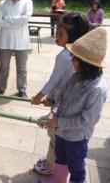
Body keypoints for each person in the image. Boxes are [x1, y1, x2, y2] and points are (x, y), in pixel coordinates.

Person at [39, 27, 108, 183]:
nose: (71, 61)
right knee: (60, 159)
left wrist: (59, 122)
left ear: (87, 64)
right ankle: (58, 179)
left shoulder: (97, 90)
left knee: (76, 168)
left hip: (77, 138)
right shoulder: (75, 77)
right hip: (62, 132)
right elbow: (62, 99)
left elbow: (87, 121)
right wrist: (54, 113)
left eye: (75, 58)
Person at [31, 13, 90, 175]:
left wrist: (38, 97)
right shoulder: (77, 54)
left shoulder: (65, 56)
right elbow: (62, 82)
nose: (56, 36)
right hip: (64, 101)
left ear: (74, 36)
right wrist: (51, 98)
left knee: (55, 137)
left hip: (62, 105)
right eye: (56, 31)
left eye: (61, 34)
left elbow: (53, 81)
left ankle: (51, 167)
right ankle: (53, 162)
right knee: (56, 137)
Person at [0, 0, 33, 98]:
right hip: (5, 41)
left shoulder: (27, 2)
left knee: (22, 68)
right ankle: (1, 87)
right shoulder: (2, 3)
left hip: (22, 41)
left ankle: (22, 89)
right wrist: (18, 21)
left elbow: (26, 19)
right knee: (3, 67)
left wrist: (8, 19)